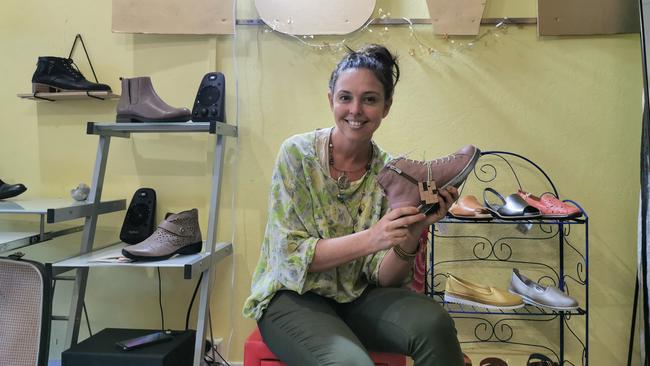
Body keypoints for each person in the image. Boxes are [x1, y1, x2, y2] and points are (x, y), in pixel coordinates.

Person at [242, 44, 464, 366]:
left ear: (386, 107)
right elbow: (290, 257)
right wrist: (375, 236)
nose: (355, 110)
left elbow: (383, 279)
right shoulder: (296, 155)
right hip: (291, 296)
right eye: (346, 97)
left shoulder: (391, 174)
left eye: (370, 99)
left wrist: (412, 231)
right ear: (331, 99)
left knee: (434, 323)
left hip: (358, 297)